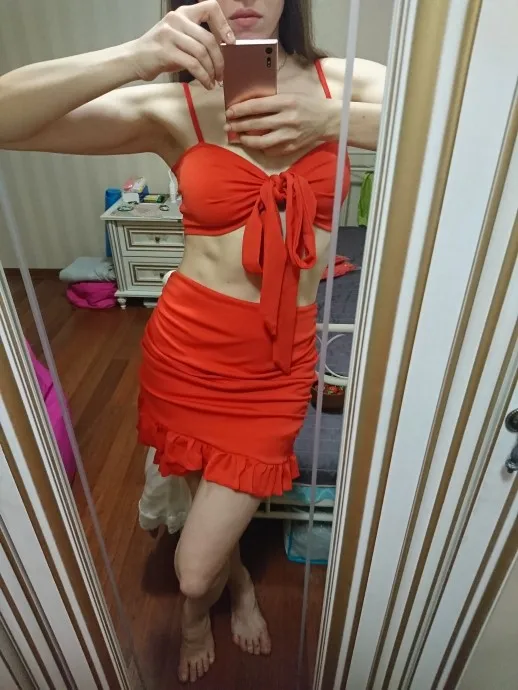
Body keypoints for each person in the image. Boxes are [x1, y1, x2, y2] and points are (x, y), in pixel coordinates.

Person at [0, 0, 385, 682]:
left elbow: (469, 127)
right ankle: (227, 595)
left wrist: (333, 121)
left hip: (275, 367)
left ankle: (201, 597)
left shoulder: (349, 82)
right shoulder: (175, 105)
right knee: (206, 491)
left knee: (192, 567)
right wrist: (137, 56)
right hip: (187, 353)